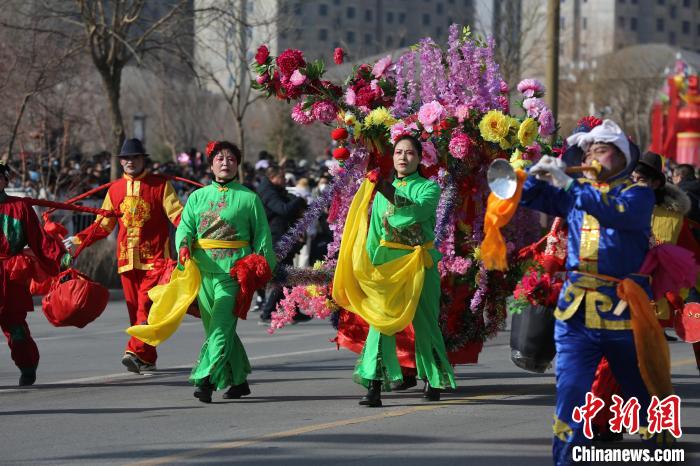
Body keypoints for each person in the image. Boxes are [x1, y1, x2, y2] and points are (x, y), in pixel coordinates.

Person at [520, 120, 670, 465]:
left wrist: (568, 183)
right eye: (586, 151)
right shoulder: (576, 191)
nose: (590, 156)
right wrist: (535, 172)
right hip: (575, 315)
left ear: (620, 157)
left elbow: (611, 213)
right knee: (570, 395)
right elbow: (526, 197)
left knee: (643, 394)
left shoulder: (637, 194)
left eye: (599, 149)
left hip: (623, 314)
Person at [334, 135, 456, 407]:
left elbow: (411, 212)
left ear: (419, 158)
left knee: (426, 323)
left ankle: (433, 380)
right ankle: (374, 386)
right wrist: (368, 264)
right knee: (380, 324)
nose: (403, 157)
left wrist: (385, 188)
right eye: (399, 152)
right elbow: (375, 233)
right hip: (387, 264)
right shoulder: (380, 194)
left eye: (410, 153)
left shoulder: (428, 189)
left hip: (417, 262)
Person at [63, 138, 184, 374]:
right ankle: (147, 358)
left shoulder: (161, 186)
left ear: (143, 160)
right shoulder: (115, 189)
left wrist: (193, 234)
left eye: (134, 157)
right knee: (135, 311)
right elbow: (104, 225)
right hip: (126, 260)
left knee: (145, 306)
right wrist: (79, 239)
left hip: (157, 260)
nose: (129, 162)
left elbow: (177, 215)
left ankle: (133, 351)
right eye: (125, 159)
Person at [176, 140, 276, 403]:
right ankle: (239, 380)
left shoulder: (249, 198)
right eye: (219, 158)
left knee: (220, 326)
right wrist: (183, 246)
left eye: (231, 158)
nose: (225, 162)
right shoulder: (197, 197)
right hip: (202, 271)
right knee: (219, 329)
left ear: (237, 165)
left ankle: (206, 377)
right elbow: (185, 228)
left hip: (234, 272)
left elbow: (263, 236)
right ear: (211, 164)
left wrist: (263, 268)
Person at [0, 162, 68, 385]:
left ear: (5, 180)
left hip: (10, 276)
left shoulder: (19, 208)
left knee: (16, 327)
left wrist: (60, 258)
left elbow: (39, 241)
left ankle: (27, 366)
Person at [257, 165, 306, 323]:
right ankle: (267, 312)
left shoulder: (275, 190)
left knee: (288, 276)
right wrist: (299, 200)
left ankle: (293, 311)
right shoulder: (268, 192)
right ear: (273, 178)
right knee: (283, 276)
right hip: (275, 238)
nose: (285, 181)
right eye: (282, 178)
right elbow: (283, 209)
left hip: (281, 236)